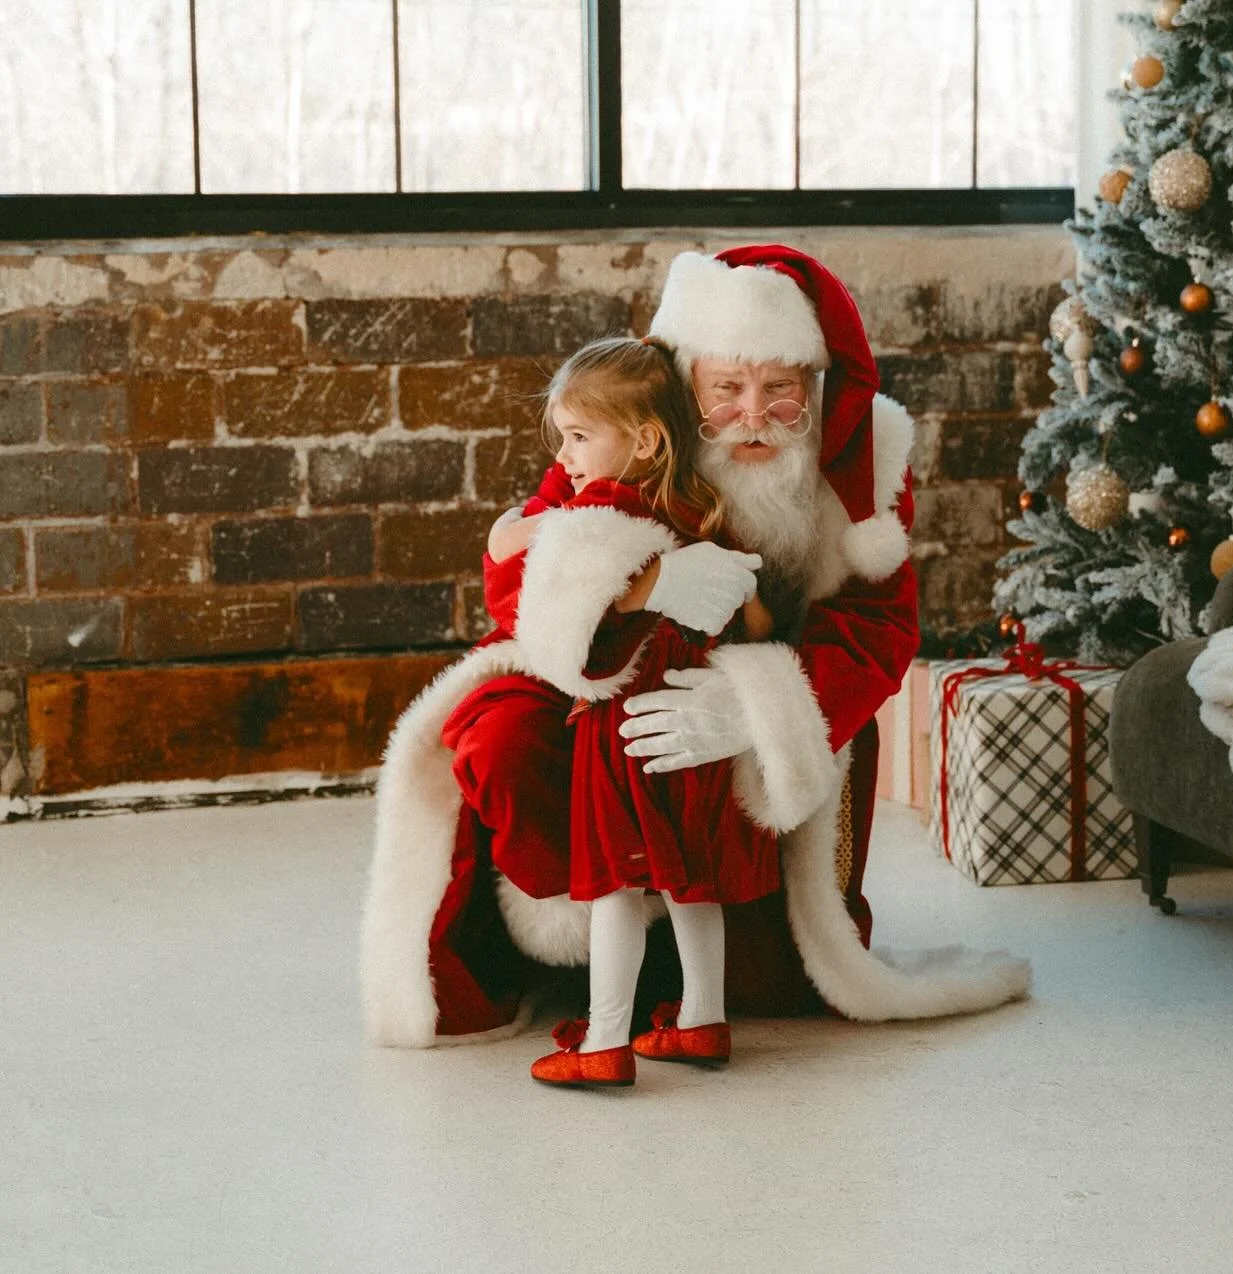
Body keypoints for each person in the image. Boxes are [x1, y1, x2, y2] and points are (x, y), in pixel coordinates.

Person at [361, 245, 1029, 1048]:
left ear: (815, 388)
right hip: (600, 681)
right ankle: (559, 953)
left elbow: (879, 631)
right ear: (688, 382)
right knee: (497, 737)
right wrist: (643, 587)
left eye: (781, 390)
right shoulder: (629, 432)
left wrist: (753, 704)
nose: (753, 413)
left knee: (772, 977)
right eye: (728, 389)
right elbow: (517, 588)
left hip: (758, 700)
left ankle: (693, 983)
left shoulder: (863, 472)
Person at [484, 336, 780, 1088]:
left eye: (580, 438)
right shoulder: (698, 509)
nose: (567, 457)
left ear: (645, 439)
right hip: (696, 726)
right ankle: (701, 1022)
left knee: (617, 885)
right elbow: (755, 624)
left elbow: (556, 625)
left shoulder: (597, 514)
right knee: (690, 883)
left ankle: (606, 1039)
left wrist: (538, 530)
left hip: (625, 733)